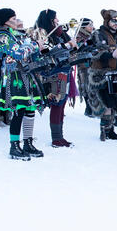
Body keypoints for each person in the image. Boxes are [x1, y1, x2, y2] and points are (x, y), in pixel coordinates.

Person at [0, 8, 43, 160]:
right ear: (6, 21)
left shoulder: (16, 35)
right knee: (18, 111)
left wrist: (38, 48)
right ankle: (14, 145)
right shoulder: (2, 36)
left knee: (30, 110)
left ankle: (28, 142)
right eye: (13, 18)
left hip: (25, 75)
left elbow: (27, 53)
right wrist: (33, 46)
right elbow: (18, 53)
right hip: (13, 77)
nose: (16, 21)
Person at [30, 9, 77, 148]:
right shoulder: (40, 32)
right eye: (55, 18)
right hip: (51, 73)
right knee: (56, 103)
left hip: (64, 70)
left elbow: (70, 48)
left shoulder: (60, 33)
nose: (57, 20)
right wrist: (67, 45)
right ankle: (56, 138)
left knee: (61, 103)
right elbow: (46, 50)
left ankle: (60, 136)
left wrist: (73, 45)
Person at [89, 9, 117, 141]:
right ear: (107, 21)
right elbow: (96, 53)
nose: (116, 24)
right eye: (113, 21)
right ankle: (104, 130)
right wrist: (110, 55)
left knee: (113, 103)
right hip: (102, 74)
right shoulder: (98, 34)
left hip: (115, 73)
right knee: (106, 103)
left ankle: (110, 129)